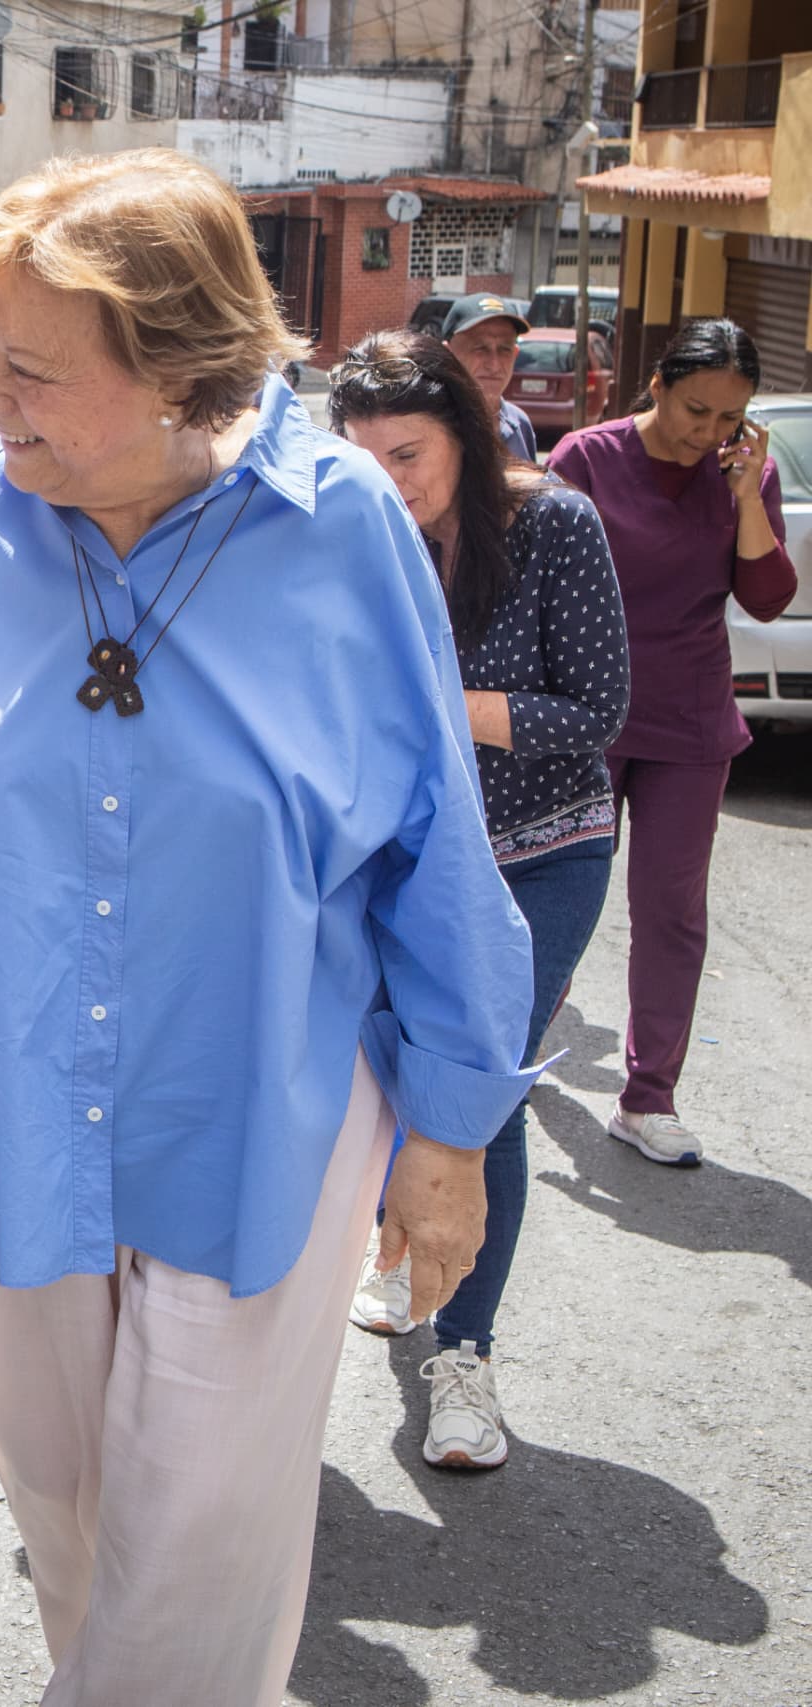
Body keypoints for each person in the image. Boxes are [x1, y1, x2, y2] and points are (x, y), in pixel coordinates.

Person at [0, 149, 536, 1704]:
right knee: (71, 1512)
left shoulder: (339, 524)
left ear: (176, 367)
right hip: (19, 1101)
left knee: (197, 1549)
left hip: (262, 1106)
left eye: (28, 366)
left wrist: (451, 1129)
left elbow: (436, 829)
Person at [331, 328, 630, 1470]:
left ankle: (464, 1356)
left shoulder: (553, 524)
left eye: (407, 455)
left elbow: (594, 712)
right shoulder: (342, 537)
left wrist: (434, 705)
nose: (389, 485)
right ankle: (398, 1242)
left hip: (538, 857)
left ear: (461, 433)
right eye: (363, 462)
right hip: (392, 864)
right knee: (376, 1086)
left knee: (473, 1094)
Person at [548, 318, 796, 1167]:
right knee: (555, 890)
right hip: (583, 715)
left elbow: (766, 599)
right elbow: (537, 577)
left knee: (671, 914)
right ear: (656, 385)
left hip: (688, 721)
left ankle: (649, 1098)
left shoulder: (740, 475)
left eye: (730, 419)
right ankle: (529, 1029)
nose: (710, 433)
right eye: (697, 410)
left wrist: (746, 499)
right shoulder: (584, 458)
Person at [442, 294, 540, 463]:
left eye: (504, 349)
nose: (494, 365)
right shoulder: (430, 424)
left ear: (515, 354)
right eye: (480, 348)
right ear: (448, 354)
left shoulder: (520, 425)